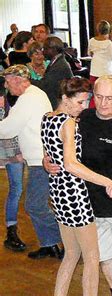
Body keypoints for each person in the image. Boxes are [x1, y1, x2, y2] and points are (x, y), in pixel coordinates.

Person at [44, 75, 112, 296]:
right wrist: (48, 160)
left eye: (109, 98)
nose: (103, 103)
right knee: (104, 258)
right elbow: (60, 148)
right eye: (98, 97)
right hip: (89, 208)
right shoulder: (83, 117)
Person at [0, 65, 62, 259]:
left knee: (34, 205)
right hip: (42, 158)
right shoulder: (36, 93)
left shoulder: (27, 100)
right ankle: (49, 244)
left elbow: (7, 130)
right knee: (38, 204)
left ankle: (71, 238)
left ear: (18, 81)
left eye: (8, 82)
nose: (6, 86)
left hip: (41, 161)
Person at [0, 77, 25, 252]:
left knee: (16, 189)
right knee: (16, 189)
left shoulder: (18, 100)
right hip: (11, 151)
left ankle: (11, 230)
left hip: (14, 151)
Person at [31, 36, 73, 109]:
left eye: (45, 49)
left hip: (57, 104)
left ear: (53, 49)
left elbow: (45, 86)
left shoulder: (59, 66)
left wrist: (27, 80)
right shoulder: (57, 62)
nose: (43, 52)